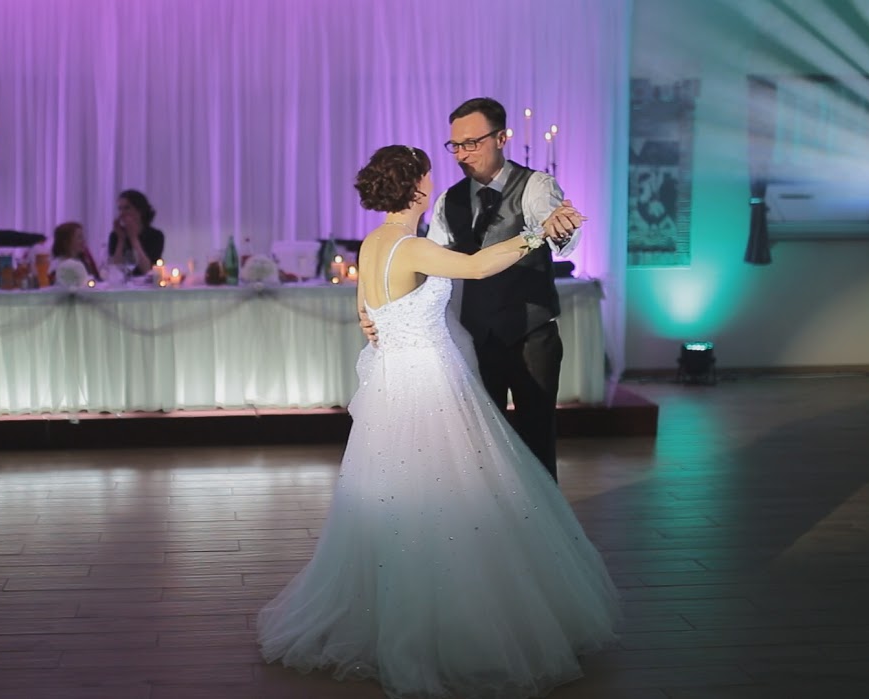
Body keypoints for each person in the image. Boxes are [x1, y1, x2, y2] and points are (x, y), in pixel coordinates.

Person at [258, 145, 619, 699]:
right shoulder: (413, 246)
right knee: (456, 497)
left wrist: (374, 325)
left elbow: (364, 310)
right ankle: (456, 628)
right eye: (429, 174)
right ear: (418, 188)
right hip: (429, 381)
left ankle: (390, 614)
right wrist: (537, 235)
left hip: (390, 385)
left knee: (399, 497)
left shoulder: (373, 244)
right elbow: (476, 266)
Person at [362, 98, 580, 482]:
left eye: (471, 143)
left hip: (530, 334)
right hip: (473, 339)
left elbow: (562, 237)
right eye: (456, 145)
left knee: (536, 435)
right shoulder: (448, 201)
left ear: (501, 138)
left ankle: (538, 511)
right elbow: (451, 266)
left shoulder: (536, 185)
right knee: (480, 448)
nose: (462, 154)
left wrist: (558, 230)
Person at [106, 189, 165, 276]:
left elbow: (147, 270)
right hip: (122, 283)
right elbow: (115, 270)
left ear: (140, 211)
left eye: (127, 208)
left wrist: (133, 238)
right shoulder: (115, 236)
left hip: (147, 283)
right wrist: (121, 240)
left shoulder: (155, 236)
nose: (122, 213)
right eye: (120, 209)